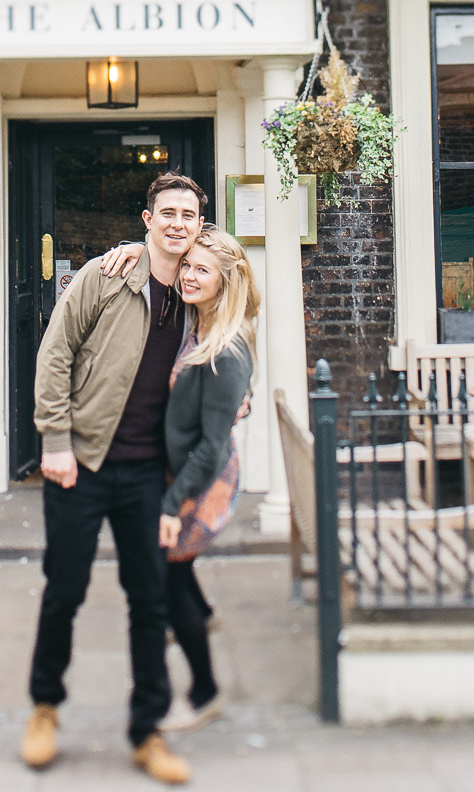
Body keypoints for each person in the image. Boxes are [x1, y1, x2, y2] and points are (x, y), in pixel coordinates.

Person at [22, 172, 205, 785]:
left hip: (149, 471)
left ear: (199, 225)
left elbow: (238, 318)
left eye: (190, 214)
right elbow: (55, 353)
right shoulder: (105, 277)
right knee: (65, 590)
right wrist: (54, 440)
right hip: (82, 462)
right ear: (147, 220)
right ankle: (45, 707)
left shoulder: (204, 288)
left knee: (149, 598)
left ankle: (147, 730)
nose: (179, 222)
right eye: (168, 212)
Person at [157, 229, 258, 733]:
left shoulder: (227, 350)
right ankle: (205, 611)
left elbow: (212, 446)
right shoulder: (199, 323)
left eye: (202, 270)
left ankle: (204, 693)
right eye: (188, 265)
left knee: (167, 571)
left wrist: (171, 504)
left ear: (225, 282)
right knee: (175, 568)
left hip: (203, 479)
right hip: (187, 467)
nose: (190, 275)